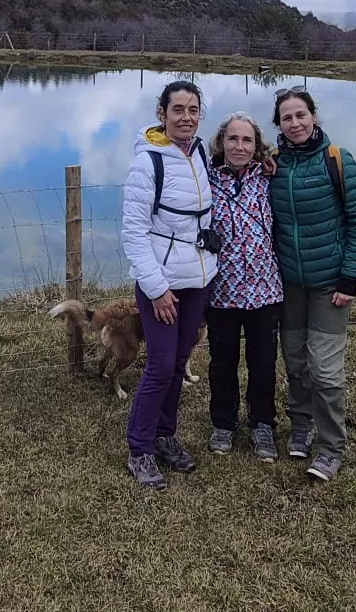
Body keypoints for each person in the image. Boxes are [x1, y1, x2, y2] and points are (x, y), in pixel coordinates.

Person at [268, 85, 356, 482]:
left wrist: (351, 277)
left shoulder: (337, 160)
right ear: (277, 124)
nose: (294, 123)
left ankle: (331, 447)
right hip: (288, 285)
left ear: (313, 117)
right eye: (286, 117)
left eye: (301, 115)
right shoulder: (273, 164)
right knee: (295, 361)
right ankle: (301, 425)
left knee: (326, 370)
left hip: (330, 284)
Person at [118, 80, 218, 490]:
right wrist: (157, 289)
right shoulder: (148, 164)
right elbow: (134, 234)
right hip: (164, 285)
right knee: (159, 365)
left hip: (199, 281)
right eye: (178, 109)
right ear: (162, 114)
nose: (186, 117)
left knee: (178, 363)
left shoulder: (201, 155)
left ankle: (165, 436)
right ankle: (139, 448)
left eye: (193, 110)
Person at [202, 112, 284, 463]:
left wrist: (274, 161)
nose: (239, 146)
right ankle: (223, 423)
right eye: (232, 139)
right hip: (222, 290)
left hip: (265, 289)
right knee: (222, 362)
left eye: (247, 140)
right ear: (221, 143)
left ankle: (263, 423)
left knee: (263, 361)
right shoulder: (203, 178)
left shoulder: (269, 178)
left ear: (257, 145)